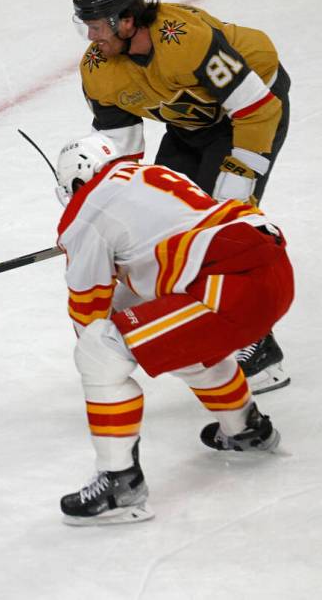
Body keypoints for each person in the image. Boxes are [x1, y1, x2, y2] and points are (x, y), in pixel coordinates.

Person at [71, 0, 291, 394]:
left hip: (250, 109)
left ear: (127, 20)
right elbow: (122, 153)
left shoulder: (185, 40)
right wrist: (109, 210)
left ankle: (261, 348)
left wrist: (237, 180)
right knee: (164, 223)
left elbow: (256, 109)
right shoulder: (99, 67)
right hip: (189, 125)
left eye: (98, 26)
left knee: (222, 230)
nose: (92, 38)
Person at [53, 134, 293, 525]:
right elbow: (157, 271)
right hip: (269, 274)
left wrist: (99, 363)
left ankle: (120, 484)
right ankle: (246, 430)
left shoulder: (87, 211)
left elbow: (88, 308)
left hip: (226, 289)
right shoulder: (152, 175)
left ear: (77, 180)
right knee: (181, 340)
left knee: (100, 352)